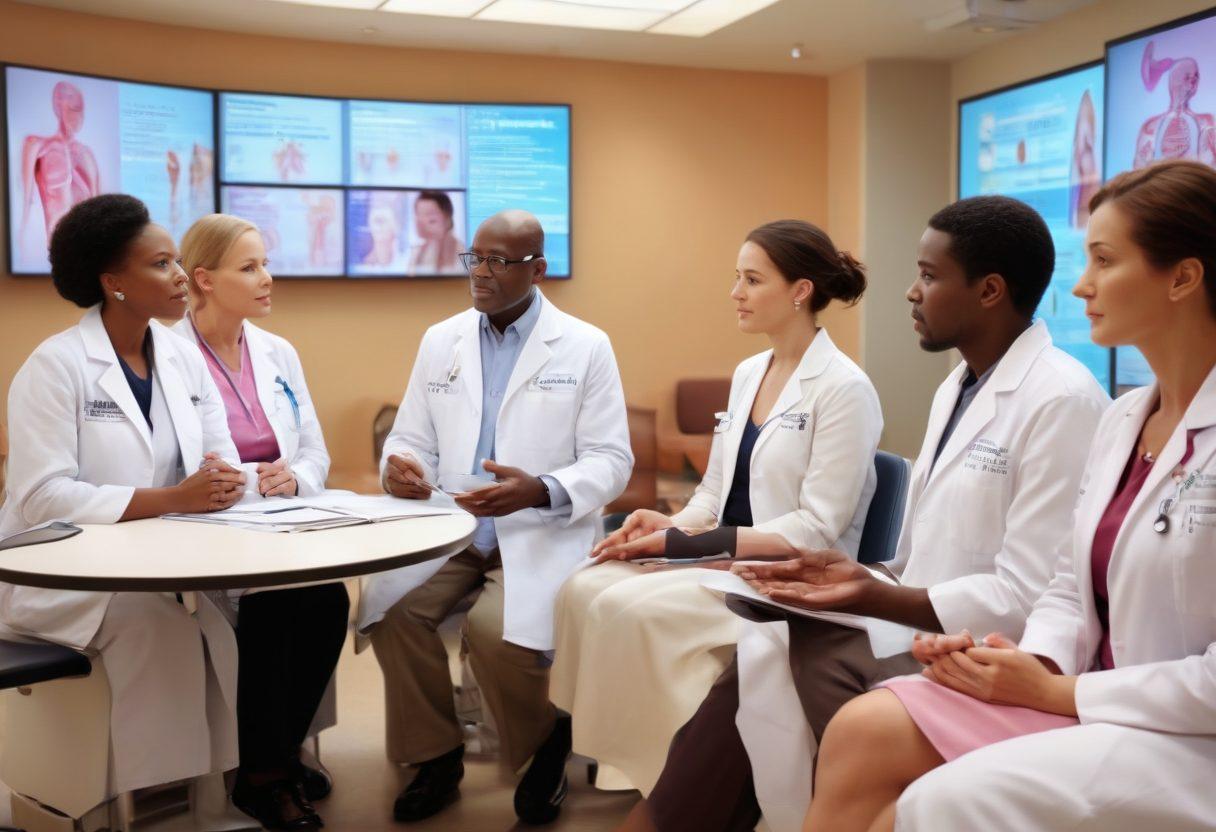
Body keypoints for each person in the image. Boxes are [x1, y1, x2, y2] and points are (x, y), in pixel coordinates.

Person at [632, 195, 1110, 832]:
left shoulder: (1062, 400)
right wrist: (853, 576)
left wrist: (874, 594)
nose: (911, 292)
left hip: (986, 644)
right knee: (767, 648)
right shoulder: (957, 387)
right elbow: (914, 556)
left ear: (990, 290)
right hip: (920, 619)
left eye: (929, 276)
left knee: (786, 661)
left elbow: (1029, 593)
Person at [808, 160, 1216, 832]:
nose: (1081, 285)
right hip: (1085, 690)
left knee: (933, 804)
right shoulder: (1125, 419)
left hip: (1182, 732)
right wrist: (1029, 661)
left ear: (1183, 277)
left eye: (1104, 260)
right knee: (861, 730)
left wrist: (1059, 690)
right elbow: (1067, 587)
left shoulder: (1069, 399)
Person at [551, 219, 879, 802]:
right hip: (722, 554)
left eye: (752, 280)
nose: (735, 293)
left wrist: (696, 547)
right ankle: (601, 749)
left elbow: (816, 527)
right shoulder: (750, 373)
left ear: (800, 291)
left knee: (629, 610)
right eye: (737, 278)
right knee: (584, 584)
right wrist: (669, 525)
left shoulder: (844, 388)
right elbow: (714, 492)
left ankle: (672, 783)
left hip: (788, 577)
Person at [362, 209, 632, 824]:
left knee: (496, 631)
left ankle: (543, 750)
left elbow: (611, 459)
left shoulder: (586, 345)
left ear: (538, 270)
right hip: (453, 528)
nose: (480, 273)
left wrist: (541, 489)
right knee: (393, 610)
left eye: (499, 262)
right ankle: (435, 756)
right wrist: (400, 468)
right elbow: (411, 437)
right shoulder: (441, 339)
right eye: (475, 257)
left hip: (539, 530)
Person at [0, 194, 246, 800]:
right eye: (161, 264)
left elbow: (221, 454)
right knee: (156, 627)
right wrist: (173, 498)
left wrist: (225, 479)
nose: (181, 276)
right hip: (57, 576)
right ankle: (155, 802)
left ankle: (213, 796)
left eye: (177, 260)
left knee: (222, 623)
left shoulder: (183, 358)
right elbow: (41, 497)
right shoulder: (56, 366)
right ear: (113, 283)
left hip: (156, 563)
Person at [174, 213, 349, 830]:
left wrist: (296, 477)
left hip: (284, 524)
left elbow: (315, 451)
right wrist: (260, 480)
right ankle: (266, 776)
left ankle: (272, 758)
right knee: (275, 607)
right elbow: (201, 470)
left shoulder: (278, 351)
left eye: (265, 264)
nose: (267, 278)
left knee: (328, 600)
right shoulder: (170, 355)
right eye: (249, 268)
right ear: (205, 279)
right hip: (210, 533)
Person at [18, 80, 100, 259]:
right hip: (56, 250)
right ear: (60, 107)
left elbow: (99, 211)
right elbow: (25, 204)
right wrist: (20, 249)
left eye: (80, 110)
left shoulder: (86, 155)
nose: (79, 117)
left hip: (85, 251)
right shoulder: (38, 146)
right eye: (74, 109)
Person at [1133, 40, 1216, 169]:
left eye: (1196, 76)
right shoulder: (1150, 126)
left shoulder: (1207, 122)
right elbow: (1139, 169)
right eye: (1187, 77)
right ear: (1174, 80)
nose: (1193, 82)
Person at [407, 190, 463, 276]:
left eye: (429, 215)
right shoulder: (416, 253)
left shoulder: (462, 254)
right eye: (418, 214)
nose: (421, 221)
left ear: (447, 217)